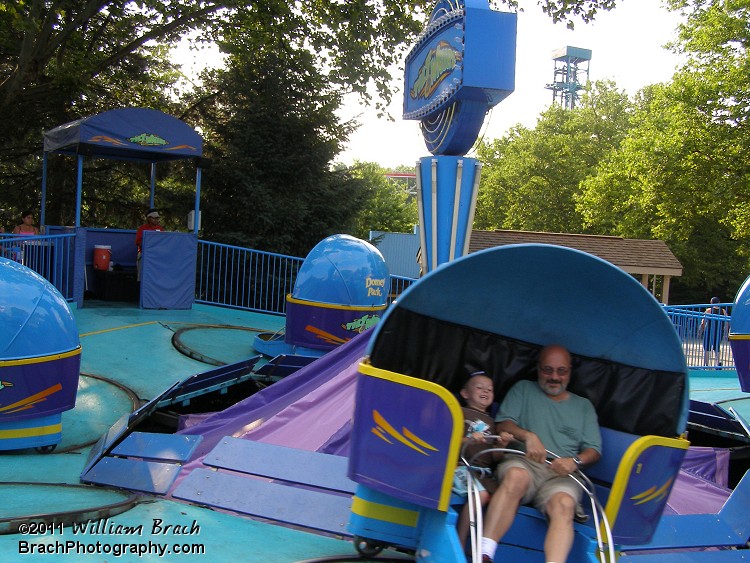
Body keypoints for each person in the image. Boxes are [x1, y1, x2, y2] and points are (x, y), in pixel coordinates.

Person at [480, 344, 601, 563]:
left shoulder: (583, 407)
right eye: (548, 370)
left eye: (561, 371)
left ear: (570, 372)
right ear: (538, 369)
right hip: (525, 463)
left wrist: (574, 462)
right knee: (516, 477)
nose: (554, 377)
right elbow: (503, 424)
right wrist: (528, 436)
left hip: (561, 475)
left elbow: (594, 450)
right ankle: (484, 553)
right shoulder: (523, 389)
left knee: (564, 504)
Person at [452, 371, 514, 546]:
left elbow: (496, 457)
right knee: (480, 495)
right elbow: (449, 443)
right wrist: (469, 440)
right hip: (460, 468)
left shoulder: (493, 423)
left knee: (500, 500)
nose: (485, 391)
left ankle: (482, 545)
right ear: (465, 394)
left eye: (490, 389)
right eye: (479, 388)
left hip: (484, 474)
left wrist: (501, 444)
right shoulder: (459, 412)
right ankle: (460, 541)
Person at [135, 208, 164, 281]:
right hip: (144, 254)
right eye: (155, 218)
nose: (157, 220)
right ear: (149, 218)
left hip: (157, 256)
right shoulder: (142, 228)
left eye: (158, 218)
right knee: (142, 276)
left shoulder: (160, 229)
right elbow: (138, 242)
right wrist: (149, 247)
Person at [700, 297, 728, 368]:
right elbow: (727, 322)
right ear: (719, 302)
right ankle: (717, 364)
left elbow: (703, 322)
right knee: (717, 348)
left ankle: (706, 365)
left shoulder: (709, 310)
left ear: (711, 302)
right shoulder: (723, 311)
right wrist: (726, 332)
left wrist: (701, 330)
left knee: (707, 348)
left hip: (709, 331)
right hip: (719, 331)